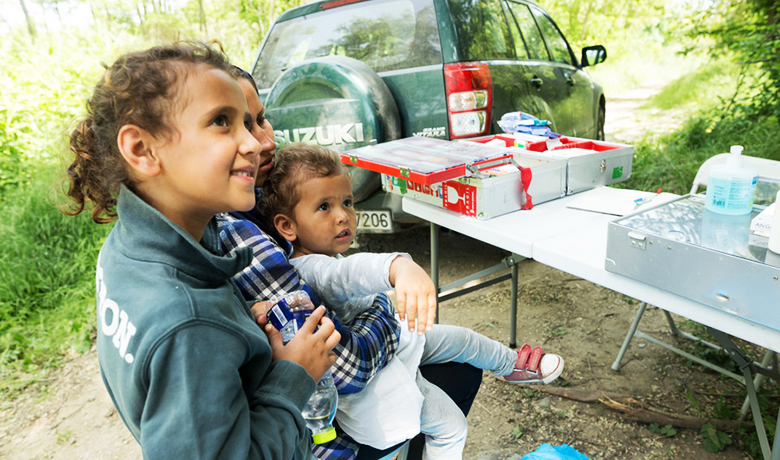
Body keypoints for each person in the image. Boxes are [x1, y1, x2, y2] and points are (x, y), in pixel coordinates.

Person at [63, 42, 340, 460]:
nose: (254, 144)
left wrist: (236, 326)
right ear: (142, 150)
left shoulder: (127, 249)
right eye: (221, 122)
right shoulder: (188, 325)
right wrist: (293, 376)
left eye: (247, 123)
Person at [218, 67, 483, 460]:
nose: (264, 140)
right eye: (235, 125)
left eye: (259, 119)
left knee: (459, 357)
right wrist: (387, 299)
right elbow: (349, 369)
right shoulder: (238, 231)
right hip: (326, 434)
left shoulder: (254, 200)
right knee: (453, 383)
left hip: (331, 397)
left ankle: (514, 363)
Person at [259, 142, 566, 460]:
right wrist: (396, 266)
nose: (343, 216)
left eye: (347, 202)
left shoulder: (321, 254)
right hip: (381, 381)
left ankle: (511, 365)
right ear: (287, 226)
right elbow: (349, 275)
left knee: (461, 338)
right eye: (324, 207)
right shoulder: (309, 268)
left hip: (392, 343)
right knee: (451, 427)